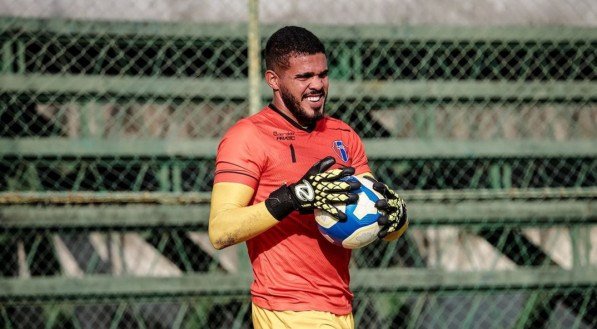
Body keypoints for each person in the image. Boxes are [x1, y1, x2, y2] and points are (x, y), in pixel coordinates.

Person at [209, 26, 408, 329]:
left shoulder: (344, 135)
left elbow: (369, 218)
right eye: (304, 77)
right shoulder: (247, 137)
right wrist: (292, 198)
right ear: (273, 80)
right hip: (287, 310)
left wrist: (396, 219)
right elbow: (221, 231)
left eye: (323, 74)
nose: (317, 85)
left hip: (340, 308)